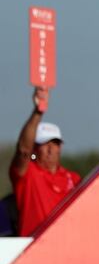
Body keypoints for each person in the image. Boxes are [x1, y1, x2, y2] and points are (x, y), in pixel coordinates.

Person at [9, 87, 81, 236]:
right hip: (34, 252)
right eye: (44, 143)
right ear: (35, 148)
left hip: (65, 250)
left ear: (60, 147)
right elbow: (24, 151)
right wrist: (38, 112)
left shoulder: (73, 179)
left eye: (54, 143)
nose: (50, 149)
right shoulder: (29, 173)